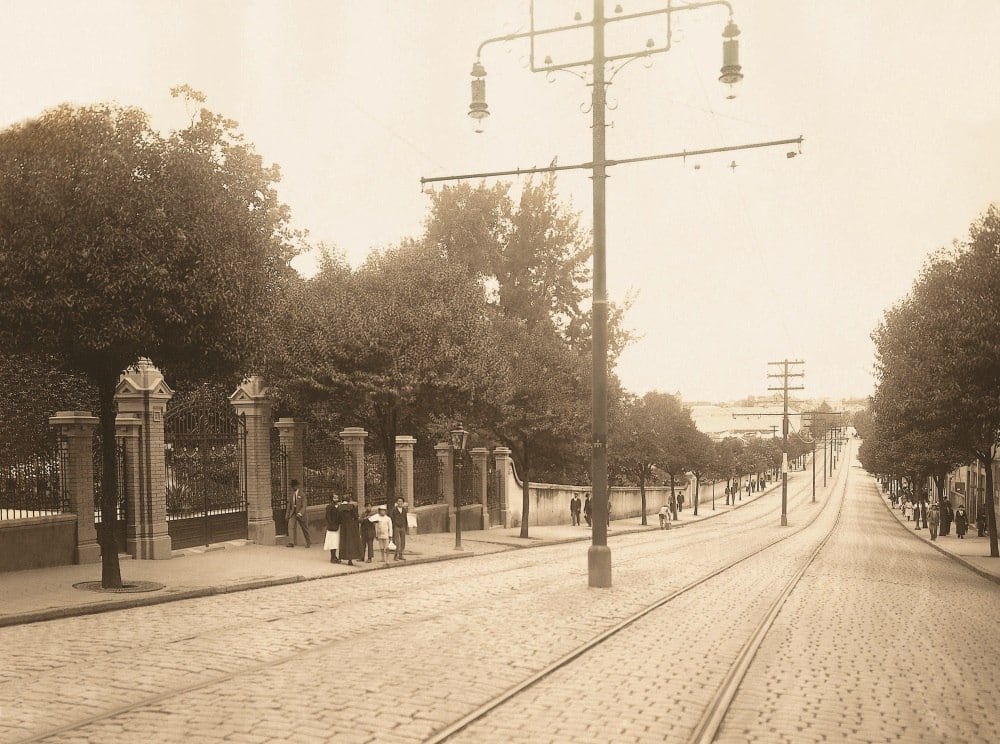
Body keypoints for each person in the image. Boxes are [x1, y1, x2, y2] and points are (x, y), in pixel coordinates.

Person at [337, 494, 362, 566]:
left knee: (343, 541)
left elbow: (338, 518)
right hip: (351, 526)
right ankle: (350, 559)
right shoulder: (352, 507)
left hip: (343, 526)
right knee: (351, 542)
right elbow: (356, 516)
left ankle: (341, 557)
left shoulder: (339, 507)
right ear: (348, 500)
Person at [285, 479, 311, 548]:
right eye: (292, 486)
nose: (293, 487)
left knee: (304, 528)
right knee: (290, 526)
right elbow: (289, 506)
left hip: (301, 514)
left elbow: (304, 505)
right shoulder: (291, 495)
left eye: (294, 486)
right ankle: (291, 542)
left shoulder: (302, 494)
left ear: (297, 486)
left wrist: (300, 513)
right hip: (293, 513)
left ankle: (308, 542)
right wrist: (287, 515)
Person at [323, 493, 341, 563]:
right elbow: (328, 517)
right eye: (335, 498)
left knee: (336, 542)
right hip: (332, 527)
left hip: (337, 526)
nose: (336, 499)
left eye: (337, 498)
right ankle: (332, 557)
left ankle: (335, 556)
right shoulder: (329, 507)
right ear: (332, 499)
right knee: (332, 542)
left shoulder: (338, 506)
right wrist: (332, 524)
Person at [389, 496, 408, 561]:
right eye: (399, 501)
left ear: (403, 503)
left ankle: (401, 555)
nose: (400, 502)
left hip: (403, 527)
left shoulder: (404, 510)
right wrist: (393, 526)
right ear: (397, 502)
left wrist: (406, 527)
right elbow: (391, 519)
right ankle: (395, 555)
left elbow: (405, 519)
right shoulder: (394, 510)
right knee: (398, 542)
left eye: (401, 501)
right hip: (396, 527)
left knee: (403, 541)